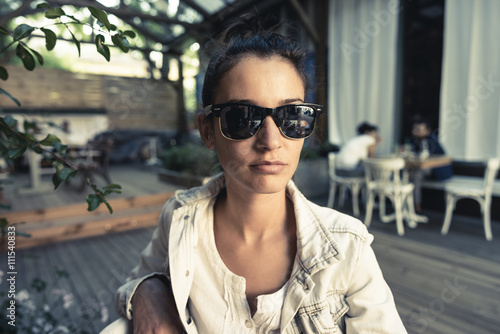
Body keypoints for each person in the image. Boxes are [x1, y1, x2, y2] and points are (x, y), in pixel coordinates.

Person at [106, 14, 406, 334]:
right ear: (207, 131)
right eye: (242, 117)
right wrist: (146, 291)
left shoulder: (347, 245)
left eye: (292, 116)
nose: (271, 141)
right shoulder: (180, 218)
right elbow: (140, 279)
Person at [410, 118, 452, 212]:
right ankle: (408, 204)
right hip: (421, 167)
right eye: (415, 129)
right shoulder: (414, 140)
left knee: (415, 174)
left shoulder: (432, 140)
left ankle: (416, 205)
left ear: (427, 131)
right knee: (410, 174)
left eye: (419, 130)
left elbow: (429, 157)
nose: (415, 132)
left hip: (436, 170)